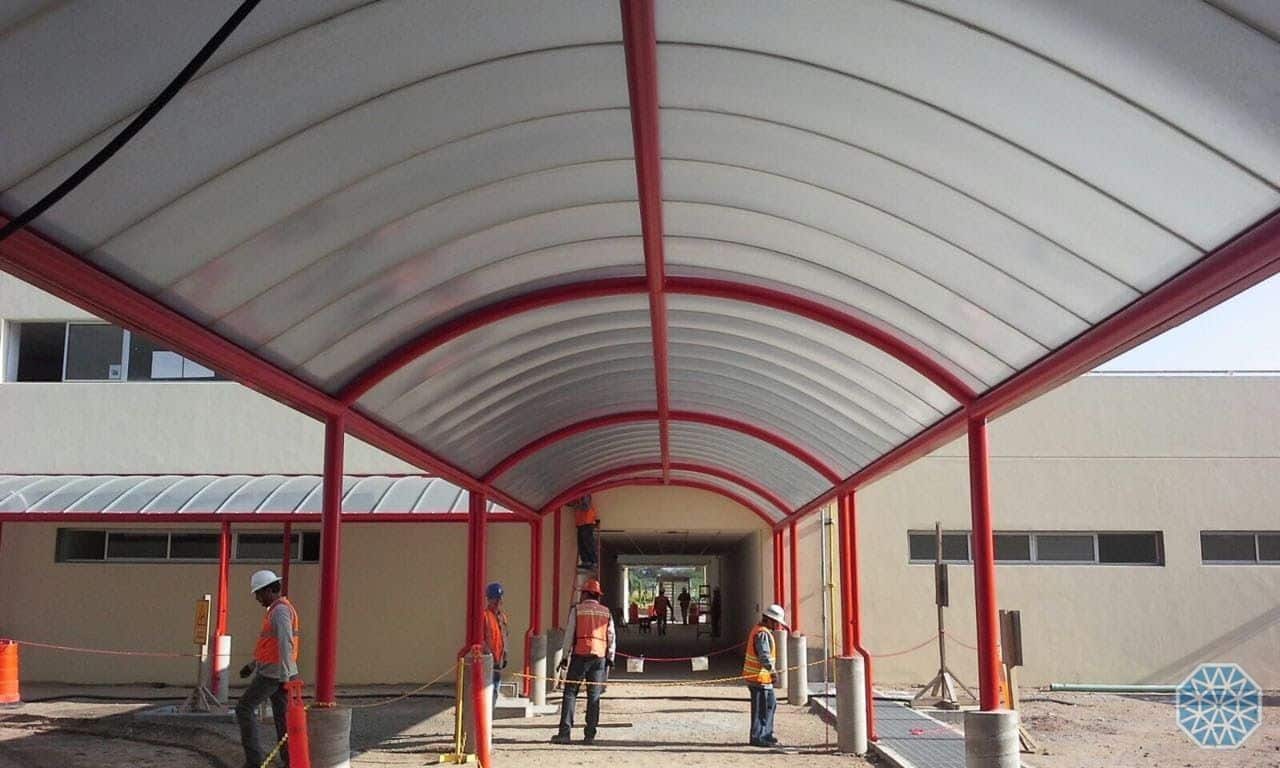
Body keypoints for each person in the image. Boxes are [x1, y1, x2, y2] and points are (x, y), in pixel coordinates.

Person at [236, 569, 300, 768]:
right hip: (280, 672)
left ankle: (254, 762)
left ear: (268, 590)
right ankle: (290, 761)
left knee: (244, 709)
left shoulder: (279, 611)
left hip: (273, 674)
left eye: (258, 593)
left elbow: (285, 643)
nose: (257, 598)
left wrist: (284, 676)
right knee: (282, 718)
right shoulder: (278, 609)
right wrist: (252, 665)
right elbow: (269, 646)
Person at [551, 578, 615, 745]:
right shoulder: (606, 612)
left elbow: (569, 634)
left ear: (585, 594)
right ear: (598, 595)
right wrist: (610, 657)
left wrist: (564, 657)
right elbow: (611, 636)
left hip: (579, 655)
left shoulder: (577, 610)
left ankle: (565, 733)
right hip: (599, 657)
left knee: (570, 693)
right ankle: (590, 735)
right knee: (594, 696)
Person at [743, 603, 788, 748]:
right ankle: (758, 736)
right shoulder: (762, 633)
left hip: (763, 679)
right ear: (769, 620)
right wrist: (772, 671)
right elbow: (764, 656)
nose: (778, 626)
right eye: (776, 622)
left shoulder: (762, 631)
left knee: (770, 705)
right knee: (761, 710)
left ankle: (766, 734)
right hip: (759, 679)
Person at [483, 581, 509, 707]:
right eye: (496, 598)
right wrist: (488, 655)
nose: (499, 601)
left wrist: (505, 656)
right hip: (488, 662)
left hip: (498, 662)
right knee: (488, 692)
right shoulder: (484, 616)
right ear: (489, 599)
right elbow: (481, 639)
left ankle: (491, 714)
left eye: (500, 598)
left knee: (495, 691)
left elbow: (505, 637)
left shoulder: (503, 617)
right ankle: (488, 715)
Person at [570, 495, 598, 570]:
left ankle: (593, 561)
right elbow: (570, 504)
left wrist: (576, 505)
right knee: (581, 543)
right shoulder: (578, 497)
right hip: (581, 523)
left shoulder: (584, 495)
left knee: (588, 542)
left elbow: (586, 507)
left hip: (587, 522)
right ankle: (586, 561)